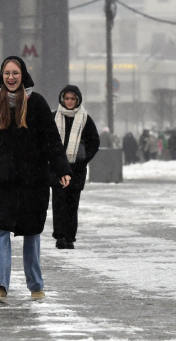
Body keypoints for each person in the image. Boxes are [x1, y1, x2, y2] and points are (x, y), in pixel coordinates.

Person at [0, 56, 73, 304]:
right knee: (1, 230)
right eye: (7, 73)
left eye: (15, 73)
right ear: (1, 75)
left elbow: (51, 141)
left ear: (23, 75)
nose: (11, 77)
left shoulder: (36, 103)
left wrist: (62, 169)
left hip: (33, 179)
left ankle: (36, 285)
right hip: (2, 179)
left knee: (32, 232)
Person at [51, 85, 100, 250]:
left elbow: (95, 142)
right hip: (58, 169)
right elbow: (45, 141)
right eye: (67, 99)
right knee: (58, 204)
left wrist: (84, 159)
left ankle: (69, 237)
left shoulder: (85, 119)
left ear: (77, 100)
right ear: (62, 100)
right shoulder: (54, 117)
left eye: (72, 99)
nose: (69, 102)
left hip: (76, 170)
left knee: (72, 204)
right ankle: (60, 236)